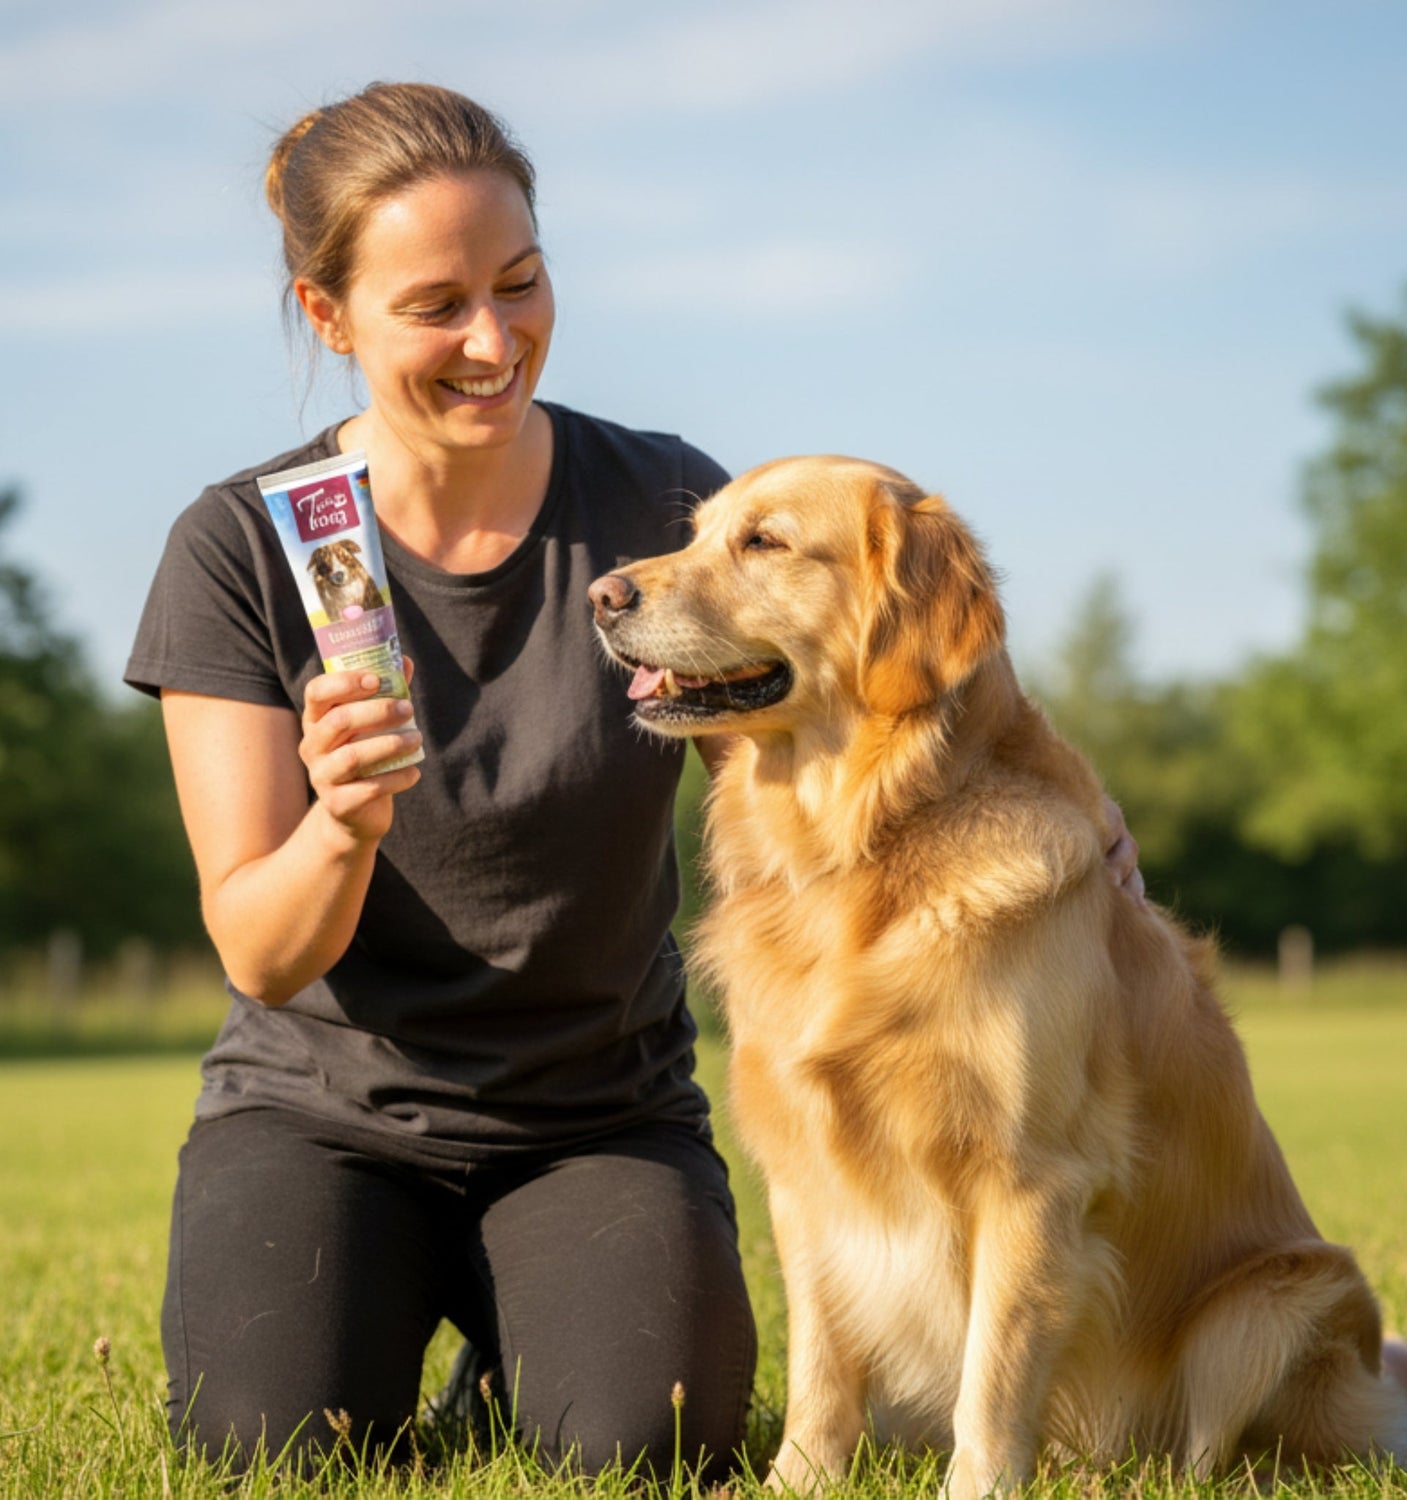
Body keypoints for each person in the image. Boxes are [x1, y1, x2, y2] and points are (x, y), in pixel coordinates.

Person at [127, 79, 1142, 1478]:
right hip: (326, 1114)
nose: (495, 340)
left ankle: (530, 1337)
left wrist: (1068, 810)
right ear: (328, 314)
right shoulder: (243, 547)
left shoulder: (663, 511)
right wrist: (345, 825)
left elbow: (885, 688)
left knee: (638, 1448)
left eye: (522, 283)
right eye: (437, 307)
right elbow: (260, 942)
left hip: (596, 1121)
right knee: (268, 1450)